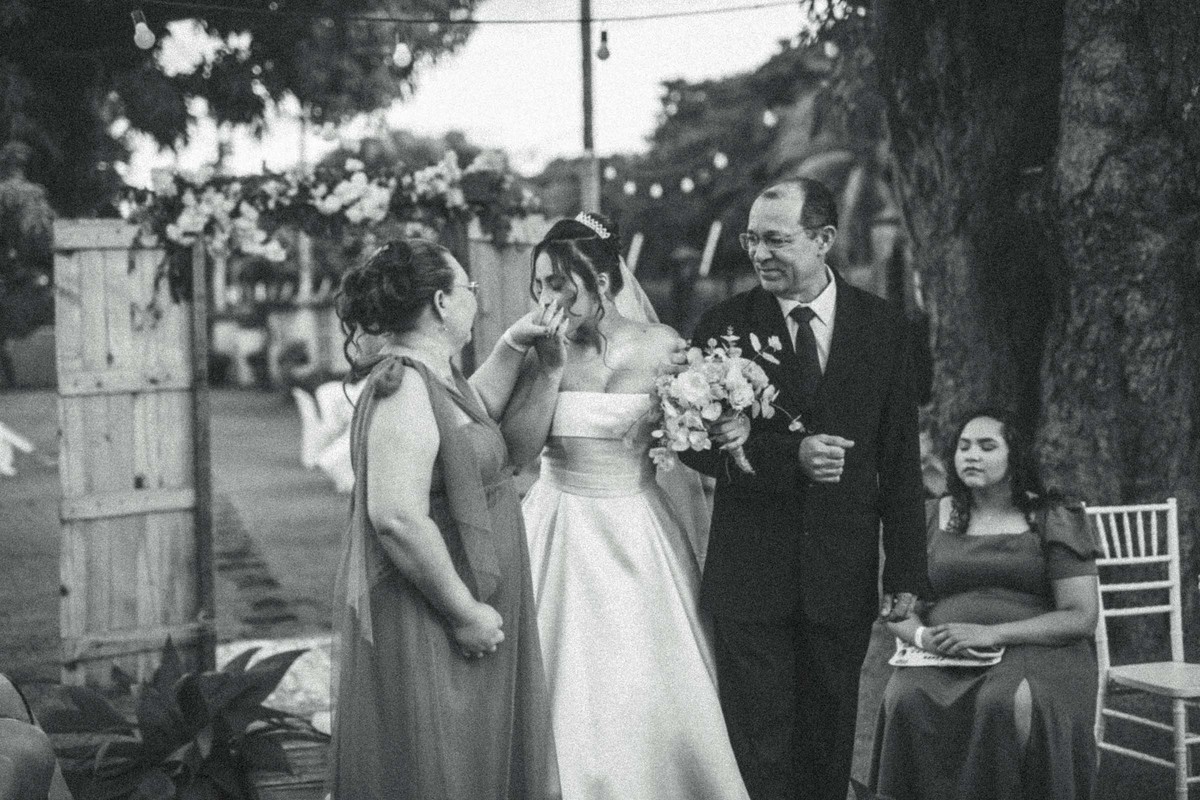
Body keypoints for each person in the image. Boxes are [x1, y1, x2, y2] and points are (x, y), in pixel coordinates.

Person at [678, 178, 928, 800]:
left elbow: (900, 461)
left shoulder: (884, 328)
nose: (759, 253)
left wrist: (905, 571)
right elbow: (691, 444)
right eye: (751, 238)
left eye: (776, 240)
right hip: (749, 576)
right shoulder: (723, 326)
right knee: (759, 749)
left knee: (828, 742)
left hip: (839, 576)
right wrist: (790, 455)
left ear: (823, 241)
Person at [504, 213, 749, 800]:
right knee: (563, 673)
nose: (548, 299)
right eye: (540, 285)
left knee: (645, 673)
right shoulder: (540, 350)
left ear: (607, 283)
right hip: (560, 522)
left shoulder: (663, 347)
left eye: (562, 284)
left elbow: (699, 439)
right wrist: (548, 372)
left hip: (638, 527)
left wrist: (723, 423)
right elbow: (517, 451)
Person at [327, 238, 566, 800]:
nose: (477, 300)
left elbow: (470, 424)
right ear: (440, 301)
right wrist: (464, 612)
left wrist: (514, 348)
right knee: (441, 763)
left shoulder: (437, 379)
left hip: (463, 599)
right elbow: (395, 518)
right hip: (433, 611)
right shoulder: (402, 387)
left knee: (470, 759)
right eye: (469, 289)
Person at [871, 409, 1101, 800]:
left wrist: (992, 633)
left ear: (1017, 456)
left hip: (1037, 649)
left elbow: (1081, 616)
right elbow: (897, 606)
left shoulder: (1053, 517)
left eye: (986, 446)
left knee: (1004, 702)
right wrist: (925, 638)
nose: (971, 456)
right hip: (944, 652)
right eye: (963, 447)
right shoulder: (928, 517)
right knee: (906, 696)